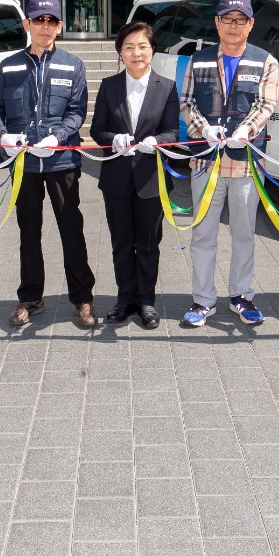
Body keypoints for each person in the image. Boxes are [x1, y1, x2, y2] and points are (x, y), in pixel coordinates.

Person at [0, 0, 98, 329]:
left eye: (51, 21)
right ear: (27, 24)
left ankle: (82, 298)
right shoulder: (9, 66)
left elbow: (77, 112)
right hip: (24, 163)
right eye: (38, 20)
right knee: (28, 231)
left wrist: (57, 137)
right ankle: (30, 298)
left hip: (61, 161)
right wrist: (2, 135)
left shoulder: (72, 64)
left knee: (71, 229)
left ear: (60, 26)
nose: (45, 26)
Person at [179, 0, 279, 328]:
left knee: (244, 233)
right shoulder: (199, 60)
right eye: (227, 19)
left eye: (240, 20)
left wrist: (247, 129)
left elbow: (266, 104)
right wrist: (203, 128)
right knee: (203, 234)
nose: (233, 26)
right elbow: (187, 101)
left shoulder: (265, 61)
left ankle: (242, 296)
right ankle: (202, 300)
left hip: (245, 163)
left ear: (251, 24)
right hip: (205, 163)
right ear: (217, 22)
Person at [89, 21, 180, 329]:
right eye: (129, 47)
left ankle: (146, 300)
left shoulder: (166, 87)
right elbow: (97, 130)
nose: (136, 53)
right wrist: (113, 139)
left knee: (149, 243)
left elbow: (172, 132)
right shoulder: (109, 86)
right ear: (120, 52)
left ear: (152, 50)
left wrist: (158, 141)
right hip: (116, 179)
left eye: (142, 46)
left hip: (151, 180)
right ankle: (125, 298)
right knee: (121, 241)